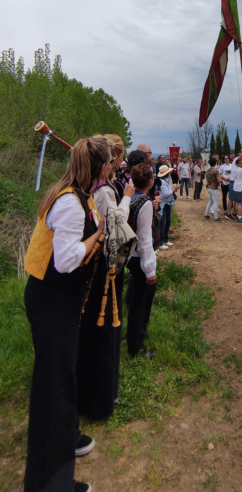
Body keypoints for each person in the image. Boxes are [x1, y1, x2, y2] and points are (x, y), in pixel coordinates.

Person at [24, 137, 110, 492]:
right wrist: (97, 236)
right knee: (53, 386)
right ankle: (50, 483)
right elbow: (65, 260)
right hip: (51, 297)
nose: (112, 168)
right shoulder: (72, 204)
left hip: (56, 297)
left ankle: (65, 437)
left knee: (60, 377)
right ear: (99, 167)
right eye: (109, 163)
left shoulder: (76, 194)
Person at [77, 135, 135, 421]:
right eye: (114, 158)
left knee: (106, 328)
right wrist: (127, 199)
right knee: (102, 328)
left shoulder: (106, 185)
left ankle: (104, 390)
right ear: (107, 161)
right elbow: (114, 225)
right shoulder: (104, 191)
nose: (117, 162)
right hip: (102, 265)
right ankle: (99, 396)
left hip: (103, 262)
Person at [127, 162, 157, 357]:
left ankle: (135, 335)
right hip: (139, 257)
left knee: (135, 298)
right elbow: (145, 239)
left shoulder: (130, 198)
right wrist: (150, 270)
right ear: (150, 181)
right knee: (141, 302)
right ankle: (136, 346)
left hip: (130, 254)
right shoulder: (145, 203)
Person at [226, 143, 242, 220]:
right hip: (232, 182)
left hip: (235, 183)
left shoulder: (238, 164)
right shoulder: (235, 161)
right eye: (240, 156)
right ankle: (228, 213)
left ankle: (235, 213)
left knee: (236, 200)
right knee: (231, 199)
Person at [158, 164, 180, 247]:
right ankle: (161, 241)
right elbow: (166, 193)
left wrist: (173, 190)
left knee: (168, 221)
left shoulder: (166, 180)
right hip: (164, 203)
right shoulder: (163, 182)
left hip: (167, 203)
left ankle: (165, 239)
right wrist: (173, 190)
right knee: (163, 222)